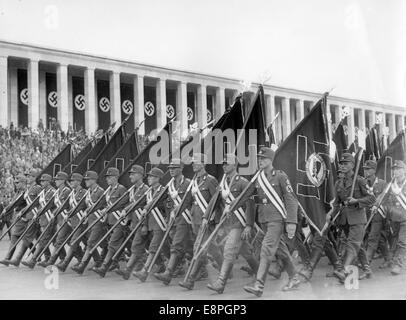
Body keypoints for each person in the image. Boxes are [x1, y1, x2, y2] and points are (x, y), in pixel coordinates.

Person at [243, 147, 300, 297]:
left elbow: (290, 198)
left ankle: (259, 285)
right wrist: (233, 205)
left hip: (277, 219)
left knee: (266, 249)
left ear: (271, 160)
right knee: (281, 251)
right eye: (259, 158)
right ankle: (294, 277)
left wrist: (291, 221)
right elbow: (247, 196)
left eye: (263, 158)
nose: (260, 161)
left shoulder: (280, 176)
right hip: (263, 220)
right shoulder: (258, 178)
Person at [206, 154, 259, 294]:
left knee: (229, 250)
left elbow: (250, 204)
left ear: (234, 165)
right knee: (246, 251)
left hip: (240, 222)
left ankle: (220, 282)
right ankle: (260, 273)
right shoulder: (222, 183)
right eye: (223, 163)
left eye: (227, 163)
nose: (224, 165)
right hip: (228, 222)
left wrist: (249, 224)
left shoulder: (242, 182)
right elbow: (218, 204)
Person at [326, 153, 375, 283]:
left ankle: (344, 270)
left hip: (358, 218)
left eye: (345, 164)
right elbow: (336, 203)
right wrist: (331, 215)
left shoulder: (359, 181)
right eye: (341, 164)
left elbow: (371, 198)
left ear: (353, 165)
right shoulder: (338, 183)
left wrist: (356, 201)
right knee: (357, 245)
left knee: (352, 245)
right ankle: (367, 269)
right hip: (344, 220)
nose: (342, 166)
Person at [178, 153, 223, 290]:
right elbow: (188, 200)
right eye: (193, 163)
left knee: (198, 248)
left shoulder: (210, 180)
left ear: (203, 164)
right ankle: (226, 269)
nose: (193, 165)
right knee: (211, 247)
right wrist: (177, 211)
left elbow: (217, 200)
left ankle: (190, 280)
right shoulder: (194, 181)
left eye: (196, 162)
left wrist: (211, 218)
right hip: (195, 219)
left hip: (206, 220)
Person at [154, 159, 193, 285]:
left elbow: (192, 201)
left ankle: (168, 273)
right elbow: (166, 201)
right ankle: (203, 268)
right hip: (175, 219)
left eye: (174, 167)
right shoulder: (170, 185)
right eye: (170, 167)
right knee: (188, 246)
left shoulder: (188, 183)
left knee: (176, 245)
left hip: (185, 218)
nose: (171, 169)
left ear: (181, 168)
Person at [133, 167, 169, 282]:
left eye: (151, 176)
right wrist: (144, 224)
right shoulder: (148, 192)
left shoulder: (163, 190)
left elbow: (157, 203)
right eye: (148, 176)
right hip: (150, 224)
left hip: (160, 223)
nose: (148, 178)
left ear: (158, 178)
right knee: (162, 247)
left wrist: (146, 207)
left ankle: (144, 271)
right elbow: (139, 206)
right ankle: (171, 265)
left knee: (154, 248)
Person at [115, 165, 149, 279]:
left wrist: (144, 225)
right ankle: (156, 264)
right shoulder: (133, 190)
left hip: (143, 223)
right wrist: (127, 217)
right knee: (143, 246)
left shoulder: (146, 190)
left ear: (140, 175)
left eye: (133, 174)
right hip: (135, 222)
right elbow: (131, 205)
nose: (130, 176)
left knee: (136, 245)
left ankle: (127, 270)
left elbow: (145, 207)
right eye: (130, 174)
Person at [0, 171, 42, 266]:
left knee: (38, 238)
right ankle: (10, 258)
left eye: (17, 182)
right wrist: (6, 210)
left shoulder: (36, 189)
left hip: (32, 217)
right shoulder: (25, 191)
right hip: (24, 217)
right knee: (22, 237)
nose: (16, 184)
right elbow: (16, 203)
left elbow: (40, 202)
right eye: (15, 182)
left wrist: (33, 215)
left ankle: (40, 257)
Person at [92, 167, 127, 278]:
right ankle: (119, 264)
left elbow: (124, 203)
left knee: (113, 243)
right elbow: (105, 204)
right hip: (110, 221)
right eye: (107, 177)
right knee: (118, 244)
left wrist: (108, 209)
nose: (108, 179)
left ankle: (104, 267)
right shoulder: (108, 190)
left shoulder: (121, 189)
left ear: (116, 177)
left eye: (110, 177)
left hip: (119, 221)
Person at [71, 171, 106, 275]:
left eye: (88, 179)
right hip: (90, 221)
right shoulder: (88, 192)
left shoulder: (100, 191)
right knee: (100, 243)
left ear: (94, 180)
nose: (85, 181)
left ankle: (82, 265)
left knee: (90, 242)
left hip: (98, 220)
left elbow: (102, 204)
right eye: (85, 179)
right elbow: (82, 206)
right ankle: (101, 261)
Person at [52, 173, 88, 272]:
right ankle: (94, 260)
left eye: (72, 181)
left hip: (82, 222)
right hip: (72, 222)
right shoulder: (72, 193)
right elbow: (67, 206)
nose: (70, 182)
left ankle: (65, 263)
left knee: (76, 242)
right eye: (70, 181)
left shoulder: (84, 192)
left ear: (79, 182)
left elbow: (86, 206)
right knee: (79, 242)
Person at [361, 160, 388, 278]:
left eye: (368, 169)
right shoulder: (362, 183)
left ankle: (366, 265)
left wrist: (378, 207)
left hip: (378, 215)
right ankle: (388, 259)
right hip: (366, 215)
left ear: (374, 170)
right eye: (365, 169)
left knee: (372, 238)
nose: (365, 171)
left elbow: (386, 199)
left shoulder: (382, 183)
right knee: (379, 238)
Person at [381, 160, 406, 275]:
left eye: (398, 169)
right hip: (394, 218)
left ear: (404, 170)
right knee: (394, 241)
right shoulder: (390, 185)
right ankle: (394, 259)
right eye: (394, 169)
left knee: (402, 241)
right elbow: (384, 201)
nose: (396, 171)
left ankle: (398, 264)